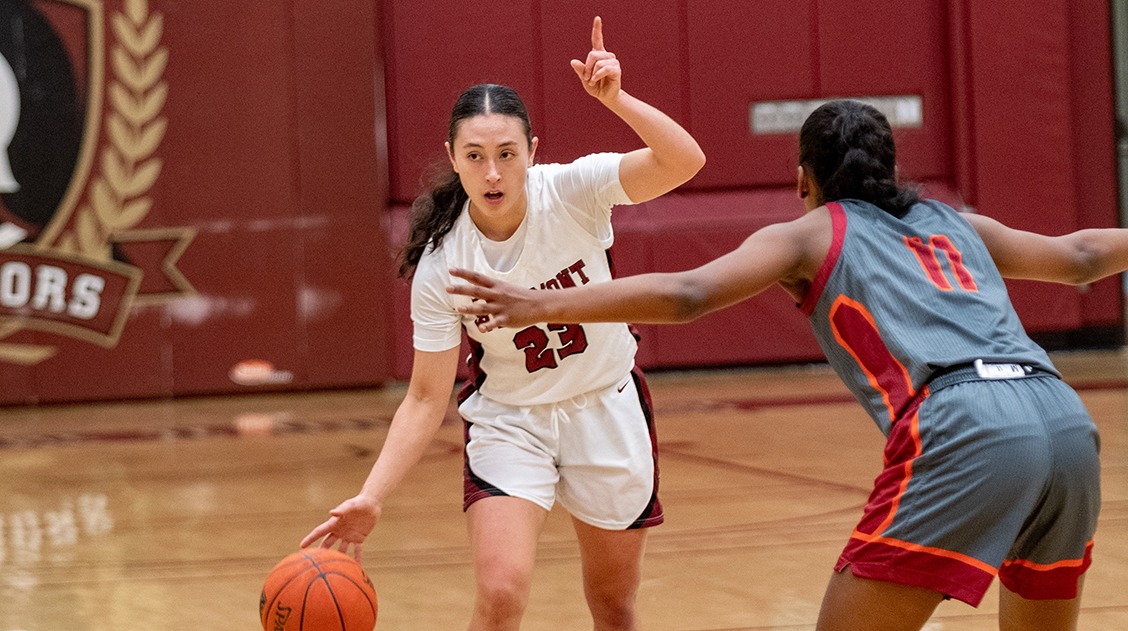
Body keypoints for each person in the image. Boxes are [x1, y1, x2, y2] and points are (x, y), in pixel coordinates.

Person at [449, 99, 1122, 630]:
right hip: (1064, 421)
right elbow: (1084, 256)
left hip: (965, 421)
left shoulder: (811, 231)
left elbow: (688, 294)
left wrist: (538, 304)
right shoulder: (957, 221)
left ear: (803, 177)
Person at [301, 16, 705, 631]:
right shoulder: (442, 264)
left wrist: (617, 99)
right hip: (512, 423)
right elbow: (425, 397)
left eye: (507, 154)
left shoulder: (573, 192)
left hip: (605, 406)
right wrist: (372, 495)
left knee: (615, 606)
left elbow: (685, 160)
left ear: (532, 153)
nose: (493, 172)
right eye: (475, 156)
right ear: (453, 160)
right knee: (501, 594)